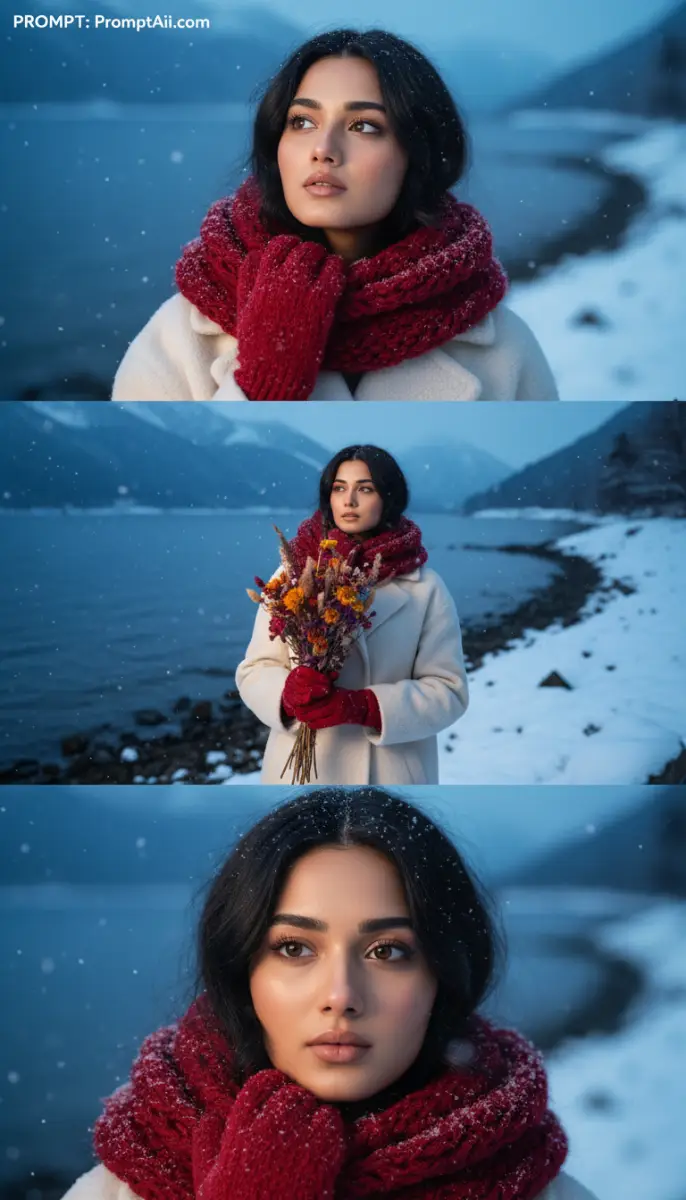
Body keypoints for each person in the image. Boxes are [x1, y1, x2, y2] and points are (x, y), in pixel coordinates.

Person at [62, 788, 598, 1199]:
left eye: (388, 951)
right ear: (241, 969)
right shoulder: (122, 1188)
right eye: (295, 949)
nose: (340, 995)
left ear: (444, 974)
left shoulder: (539, 1189)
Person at [112, 29, 559, 404]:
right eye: (301, 122)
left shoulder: (505, 348)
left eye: (364, 126)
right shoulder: (177, 337)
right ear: (276, 146)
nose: (322, 148)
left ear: (418, 154)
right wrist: (266, 385)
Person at [235, 445, 468, 784]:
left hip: (391, 774)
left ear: (388, 497)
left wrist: (367, 707)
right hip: (301, 774)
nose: (349, 501)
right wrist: (287, 694)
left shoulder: (426, 588)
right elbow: (254, 670)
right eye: (339, 488)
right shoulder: (292, 573)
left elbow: (450, 691)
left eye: (365, 488)